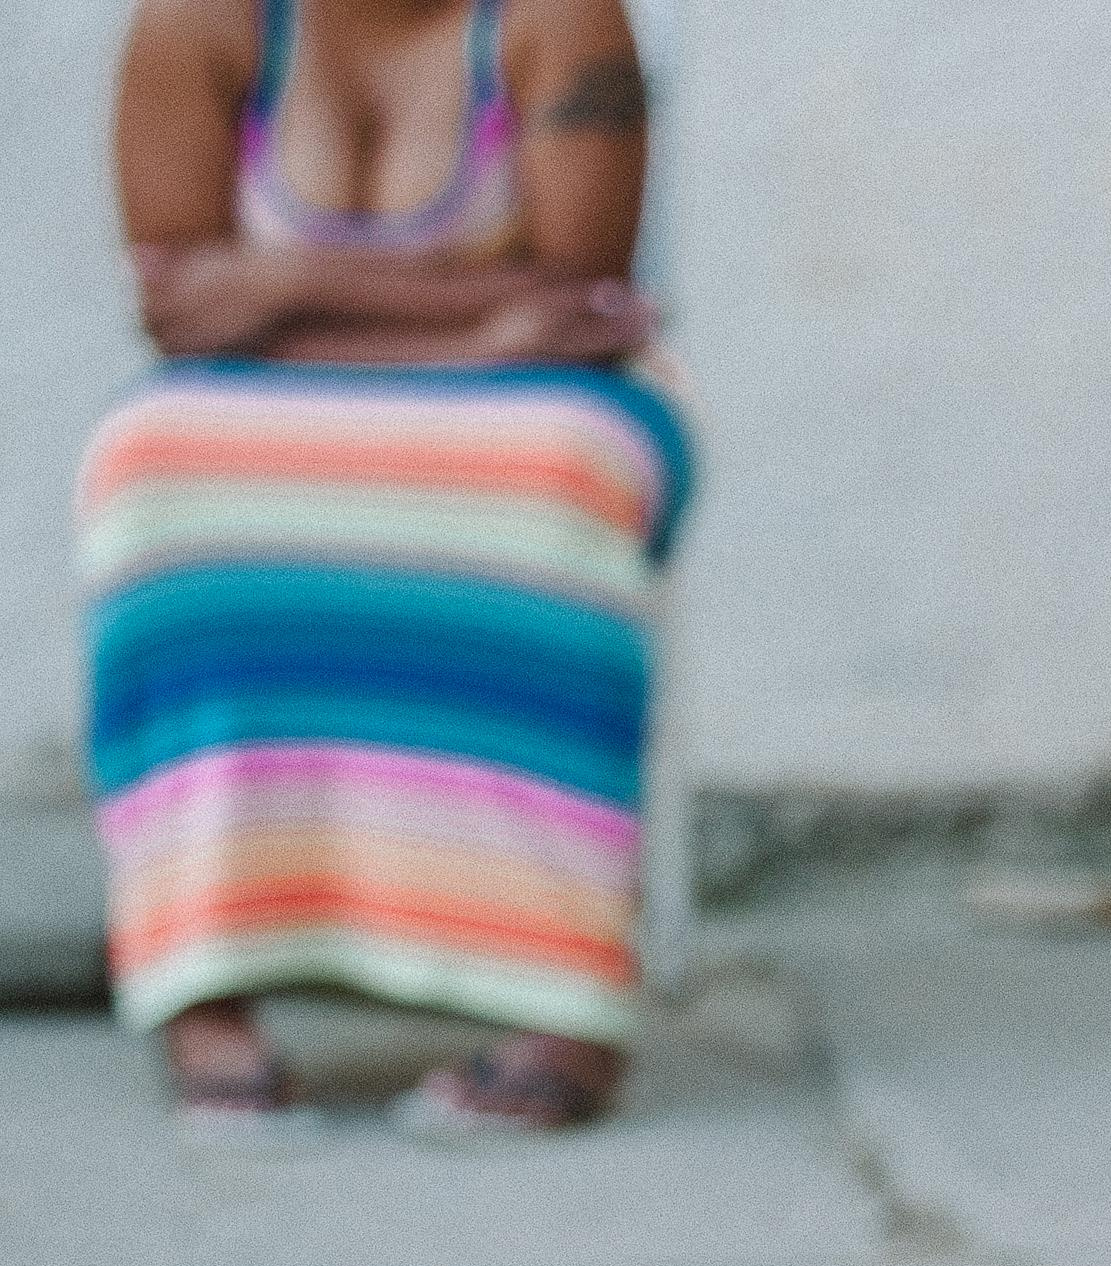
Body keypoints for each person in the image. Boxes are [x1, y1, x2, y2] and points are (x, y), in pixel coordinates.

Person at [85, 0, 693, 1132]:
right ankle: (204, 986)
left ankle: (560, 1002)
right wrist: (468, 325)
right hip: (425, 372)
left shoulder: (561, 21)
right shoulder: (196, 24)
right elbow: (187, 316)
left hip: (550, 407)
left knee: (554, 467)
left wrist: (281, 290)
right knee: (148, 458)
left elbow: (584, 299)